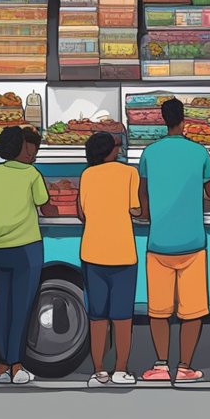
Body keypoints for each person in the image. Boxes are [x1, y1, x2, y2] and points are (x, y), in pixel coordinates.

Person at [138, 97, 210, 383]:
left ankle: (160, 365)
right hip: (193, 242)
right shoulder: (199, 152)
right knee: (192, 310)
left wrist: (148, 213)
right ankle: (185, 367)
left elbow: (142, 194)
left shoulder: (150, 153)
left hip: (158, 242)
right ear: (184, 120)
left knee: (158, 310)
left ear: (162, 119)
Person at [0, 126, 48, 385]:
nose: (33, 152)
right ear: (21, 147)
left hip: (0, 247)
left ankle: (0, 368)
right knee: (22, 310)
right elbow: (43, 202)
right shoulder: (32, 174)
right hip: (27, 248)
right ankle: (17, 366)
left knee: (3, 308)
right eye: (29, 146)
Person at [77, 132, 140, 388]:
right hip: (123, 254)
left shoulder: (86, 175)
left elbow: (82, 213)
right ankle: (121, 370)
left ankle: (98, 370)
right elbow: (136, 209)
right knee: (123, 316)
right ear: (110, 150)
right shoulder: (129, 174)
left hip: (92, 253)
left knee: (97, 316)